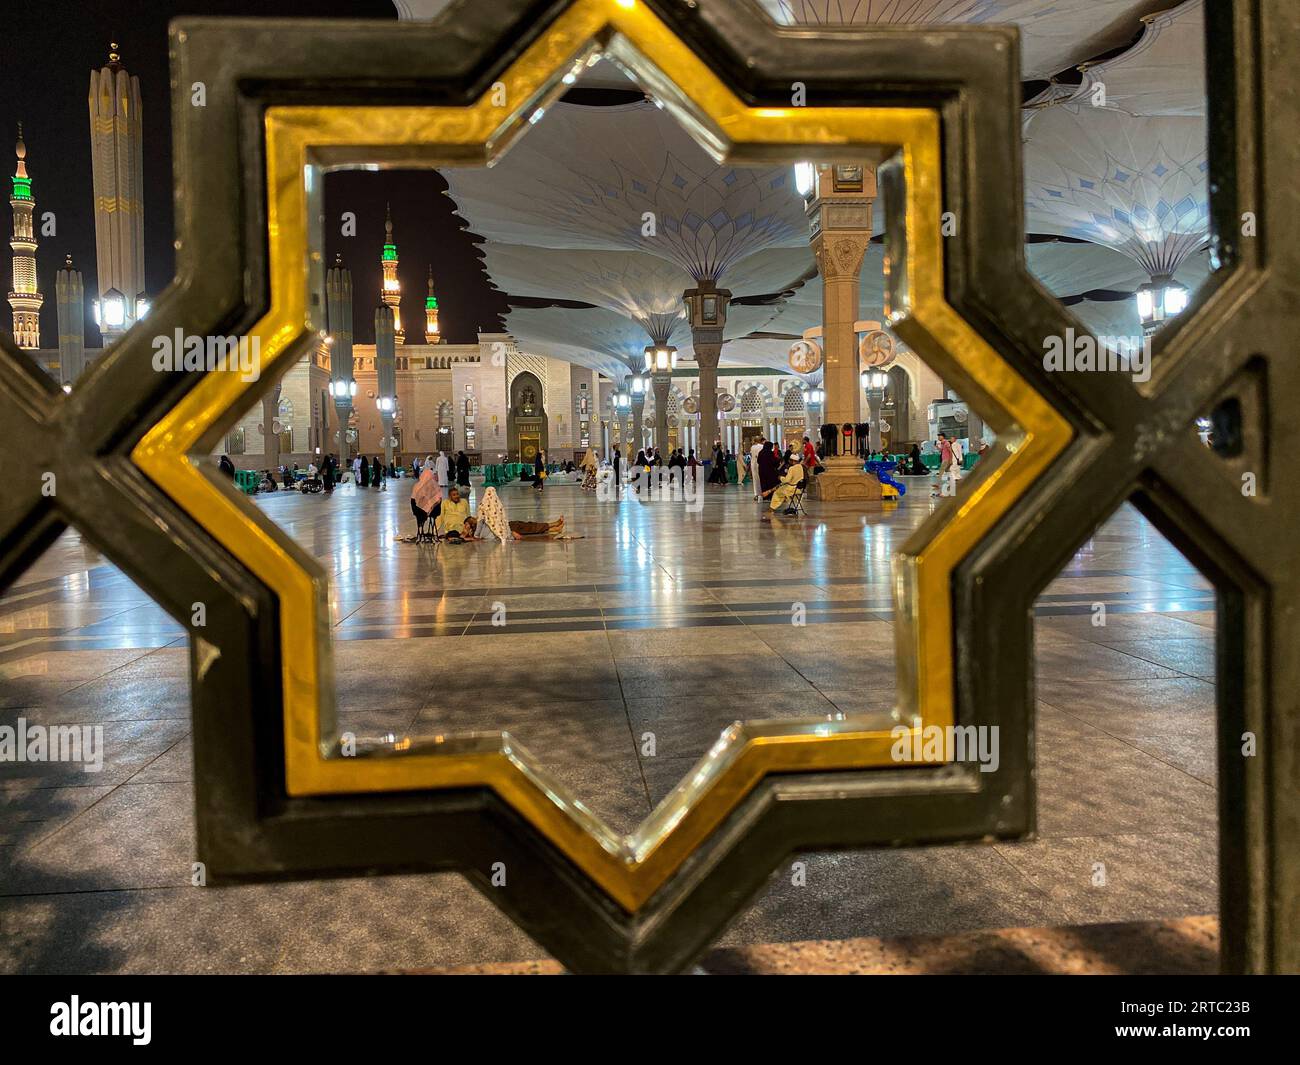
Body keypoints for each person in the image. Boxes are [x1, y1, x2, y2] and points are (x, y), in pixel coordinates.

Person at [410, 457, 441, 542]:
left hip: (418, 512)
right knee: (432, 509)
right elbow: (439, 500)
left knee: (421, 510)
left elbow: (413, 500)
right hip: (433, 513)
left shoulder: (417, 486)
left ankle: (420, 531)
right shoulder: (436, 487)